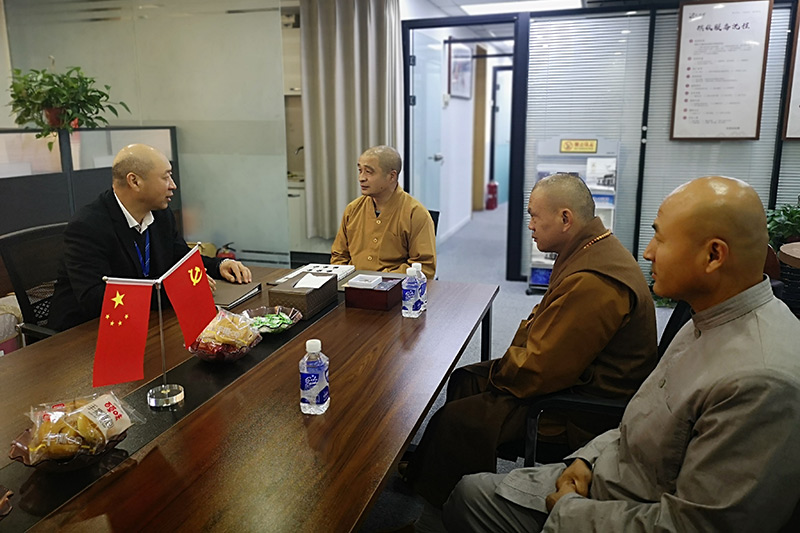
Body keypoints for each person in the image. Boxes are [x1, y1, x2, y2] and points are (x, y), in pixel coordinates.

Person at [444, 176, 800, 533]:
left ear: (713, 255)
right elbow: (642, 417)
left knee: (467, 494)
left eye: (661, 237)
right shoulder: (708, 319)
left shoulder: (762, 380)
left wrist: (567, 510)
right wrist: (588, 458)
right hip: (613, 470)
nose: (647, 251)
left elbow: (696, 526)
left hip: (620, 501)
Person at [402, 173, 657, 530]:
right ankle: (430, 473)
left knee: (457, 420)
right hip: (567, 375)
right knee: (465, 378)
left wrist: (504, 369)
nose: (531, 226)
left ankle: (435, 522)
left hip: (581, 408)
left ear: (566, 219)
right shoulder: (590, 249)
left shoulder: (594, 281)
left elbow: (540, 369)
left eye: (535, 216)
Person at [48, 144, 252, 331]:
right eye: (166, 177)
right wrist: (175, 293)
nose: (173, 185)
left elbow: (179, 257)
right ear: (135, 181)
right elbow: (95, 299)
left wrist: (218, 265)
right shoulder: (88, 226)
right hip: (85, 334)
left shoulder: (160, 214)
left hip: (142, 322)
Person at [330, 145, 436, 278]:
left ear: (392, 176)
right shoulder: (353, 209)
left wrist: (380, 281)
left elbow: (424, 267)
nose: (361, 178)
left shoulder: (415, 214)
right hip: (352, 287)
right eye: (360, 170)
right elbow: (339, 256)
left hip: (394, 291)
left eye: (369, 172)